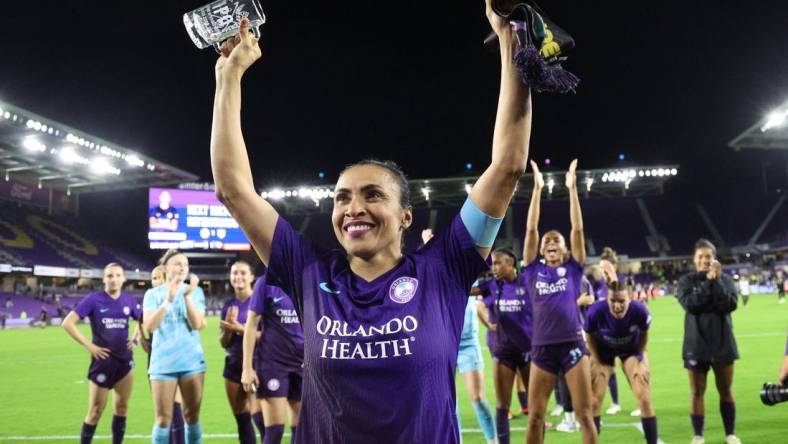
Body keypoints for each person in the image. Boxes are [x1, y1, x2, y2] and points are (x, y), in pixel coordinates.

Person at [210, 0, 531, 438]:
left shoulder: (444, 267)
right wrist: (229, 79)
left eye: (372, 195)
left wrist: (510, 40)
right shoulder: (308, 270)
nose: (353, 208)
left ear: (405, 217)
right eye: (342, 198)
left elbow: (508, 166)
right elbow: (233, 190)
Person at [522, 159, 598, 444]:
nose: (551, 241)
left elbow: (577, 229)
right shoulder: (532, 269)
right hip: (542, 348)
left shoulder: (575, 268)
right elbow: (531, 230)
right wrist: (537, 189)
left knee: (585, 416)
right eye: (547, 241)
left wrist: (572, 188)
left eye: (557, 240)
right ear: (541, 249)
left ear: (566, 249)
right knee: (535, 418)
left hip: (572, 346)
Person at [426, 230, 498, 444]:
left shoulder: (465, 272)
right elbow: (429, 264)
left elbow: (484, 255)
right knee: (448, 404)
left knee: (478, 399)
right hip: (443, 345)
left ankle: (493, 441)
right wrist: (429, 243)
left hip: (467, 344)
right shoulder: (435, 277)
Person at [62, 263, 142, 444]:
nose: (114, 279)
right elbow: (67, 323)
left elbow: (143, 320)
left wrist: (135, 339)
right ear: (104, 279)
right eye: (110, 276)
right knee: (95, 411)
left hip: (124, 363)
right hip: (102, 363)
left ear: (124, 279)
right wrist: (89, 346)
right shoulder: (93, 299)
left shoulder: (129, 300)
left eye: (118, 275)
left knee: (121, 407)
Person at [677, 239, 740, 444]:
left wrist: (717, 281)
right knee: (697, 392)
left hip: (723, 344)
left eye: (708, 257)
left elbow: (729, 305)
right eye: (700, 257)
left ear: (714, 259)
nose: (704, 260)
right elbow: (691, 305)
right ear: (694, 260)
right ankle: (698, 435)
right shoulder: (686, 281)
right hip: (696, 346)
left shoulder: (727, 280)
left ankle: (730, 434)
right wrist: (708, 282)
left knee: (726, 391)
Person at [143, 250, 207, 444]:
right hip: (163, 364)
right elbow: (150, 326)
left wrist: (186, 297)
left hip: (192, 362)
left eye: (185, 265)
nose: (182, 268)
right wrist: (168, 300)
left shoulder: (195, 291)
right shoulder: (153, 294)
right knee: (163, 419)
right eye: (177, 264)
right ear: (166, 268)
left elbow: (197, 324)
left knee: (192, 416)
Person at [585, 279, 659, 443]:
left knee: (644, 398)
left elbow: (645, 335)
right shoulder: (595, 312)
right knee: (594, 402)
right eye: (613, 301)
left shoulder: (640, 311)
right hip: (603, 352)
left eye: (621, 301)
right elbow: (589, 336)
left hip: (631, 351)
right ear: (606, 298)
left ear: (630, 298)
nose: (617, 306)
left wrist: (640, 357)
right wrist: (597, 360)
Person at [475, 247, 531, 444]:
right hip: (503, 351)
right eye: (492, 263)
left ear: (511, 263)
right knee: (502, 405)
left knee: (536, 407)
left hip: (529, 352)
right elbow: (463, 288)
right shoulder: (491, 285)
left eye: (498, 263)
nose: (494, 267)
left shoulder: (529, 282)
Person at [242, 274, 304, 444]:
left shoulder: (307, 279)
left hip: (303, 364)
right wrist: (247, 368)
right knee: (275, 431)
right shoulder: (266, 282)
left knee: (301, 432)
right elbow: (251, 324)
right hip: (273, 364)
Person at [140, 265, 187, 444]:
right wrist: (141, 340)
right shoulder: (150, 302)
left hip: (177, 359)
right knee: (162, 413)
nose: (156, 281)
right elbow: (145, 329)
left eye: (160, 277)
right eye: (154, 278)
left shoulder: (176, 300)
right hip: (155, 361)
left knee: (175, 409)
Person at [220, 261, 266, 443]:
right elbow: (223, 343)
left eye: (243, 273)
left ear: (252, 277)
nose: (238, 276)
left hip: (257, 364)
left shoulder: (260, 300)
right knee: (241, 418)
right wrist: (227, 330)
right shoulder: (228, 305)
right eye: (234, 273)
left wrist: (240, 329)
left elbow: (268, 336)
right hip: (232, 364)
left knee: (260, 417)